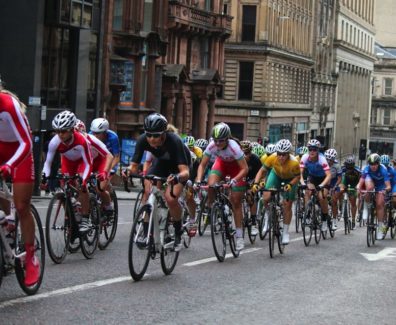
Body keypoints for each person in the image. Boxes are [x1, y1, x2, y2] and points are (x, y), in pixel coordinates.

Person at [125, 113, 190, 251]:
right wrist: (128, 170)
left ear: (163, 134)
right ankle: (145, 228)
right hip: (161, 163)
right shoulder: (143, 140)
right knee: (148, 192)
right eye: (148, 135)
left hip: (178, 166)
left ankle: (178, 231)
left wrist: (178, 177)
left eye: (155, 135)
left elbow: (185, 172)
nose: (151, 139)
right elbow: (134, 165)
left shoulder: (174, 141)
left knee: (171, 198)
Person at [0, 86, 40, 286]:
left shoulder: (9, 105)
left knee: (22, 206)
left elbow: (26, 142)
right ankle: (6, 221)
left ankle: (30, 256)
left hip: (20, 150)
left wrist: (10, 165)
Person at [195, 122, 248, 251]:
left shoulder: (234, 147)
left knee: (236, 201)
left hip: (237, 169)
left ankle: (239, 236)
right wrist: (198, 180)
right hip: (222, 165)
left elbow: (245, 169)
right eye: (216, 140)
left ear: (227, 139)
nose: (217, 144)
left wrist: (235, 180)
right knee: (211, 185)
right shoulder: (212, 145)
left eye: (221, 141)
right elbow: (202, 165)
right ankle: (212, 207)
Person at [43, 111, 93, 233]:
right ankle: (72, 213)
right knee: (64, 186)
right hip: (68, 161)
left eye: (64, 131)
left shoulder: (81, 141)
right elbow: (48, 162)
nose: (60, 134)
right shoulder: (55, 141)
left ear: (71, 130)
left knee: (82, 186)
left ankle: (85, 219)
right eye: (57, 131)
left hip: (82, 162)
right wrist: (45, 176)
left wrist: (83, 179)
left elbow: (88, 163)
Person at [252, 139, 300, 244]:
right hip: (276, 175)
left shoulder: (294, 163)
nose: (281, 157)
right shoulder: (272, 157)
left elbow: (297, 177)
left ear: (289, 154)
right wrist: (256, 183)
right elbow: (261, 171)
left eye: (284, 154)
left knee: (287, 205)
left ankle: (286, 232)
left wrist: (290, 184)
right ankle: (269, 215)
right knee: (265, 198)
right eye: (279, 154)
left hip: (290, 179)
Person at [75, 120, 114, 216]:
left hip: (100, 161)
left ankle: (108, 206)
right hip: (87, 162)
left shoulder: (91, 139)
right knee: (79, 184)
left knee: (99, 188)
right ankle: (85, 211)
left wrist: (104, 172)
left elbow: (110, 156)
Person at [299, 139, 332, 231]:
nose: (312, 151)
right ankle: (308, 214)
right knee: (307, 192)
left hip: (324, 179)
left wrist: (322, 185)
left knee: (321, 197)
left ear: (318, 151)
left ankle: (325, 220)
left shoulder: (322, 159)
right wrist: (302, 183)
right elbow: (299, 173)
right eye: (310, 149)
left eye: (314, 149)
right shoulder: (305, 157)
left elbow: (329, 175)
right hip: (313, 177)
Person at [357, 153, 391, 240]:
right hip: (371, 181)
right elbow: (361, 182)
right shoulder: (366, 168)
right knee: (369, 188)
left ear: (378, 163)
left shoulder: (383, 170)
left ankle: (380, 228)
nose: (373, 166)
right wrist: (358, 187)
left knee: (380, 204)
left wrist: (385, 190)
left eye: (375, 164)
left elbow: (388, 186)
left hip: (381, 186)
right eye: (371, 164)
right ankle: (365, 206)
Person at [241, 140, 262, 236]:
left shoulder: (256, 159)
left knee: (250, 195)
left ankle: (253, 223)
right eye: (243, 153)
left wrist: (256, 183)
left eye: (248, 153)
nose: (246, 155)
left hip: (253, 179)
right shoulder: (237, 159)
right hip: (241, 179)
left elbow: (261, 174)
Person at [339, 155, 361, 229]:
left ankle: (353, 219)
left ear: (353, 166)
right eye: (348, 166)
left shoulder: (357, 170)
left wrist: (358, 187)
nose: (349, 168)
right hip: (345, 182)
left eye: (351, 167)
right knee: (340, 190)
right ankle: (340, 206)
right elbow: (339, 178)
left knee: (352, 201)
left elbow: (361, 180)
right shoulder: (343, 169)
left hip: (354, 185)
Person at [325, 148, 342, 230]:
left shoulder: (337, 166)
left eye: (331, 160)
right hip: (325, 181)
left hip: (334, 183)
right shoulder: (323, 163)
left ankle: (334, 221)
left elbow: (339, 178)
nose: (329, 162)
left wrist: (335, 186)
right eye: (327, 159)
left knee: (334, 201)